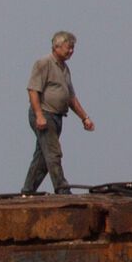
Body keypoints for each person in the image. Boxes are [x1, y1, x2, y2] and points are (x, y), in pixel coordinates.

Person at [23, 30, 94, 194]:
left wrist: (85, 118)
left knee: (42, 157)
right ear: (57, 46)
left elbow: (71, 97)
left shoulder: (64, 69)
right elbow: (33, 90)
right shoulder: (44, 63)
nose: (71, 51)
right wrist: (39, 115)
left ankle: (28, 190)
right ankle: (62, 188)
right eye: (68, 47)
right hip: (44, 114)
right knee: (53, 153)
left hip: (57, 116)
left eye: (73, 48)